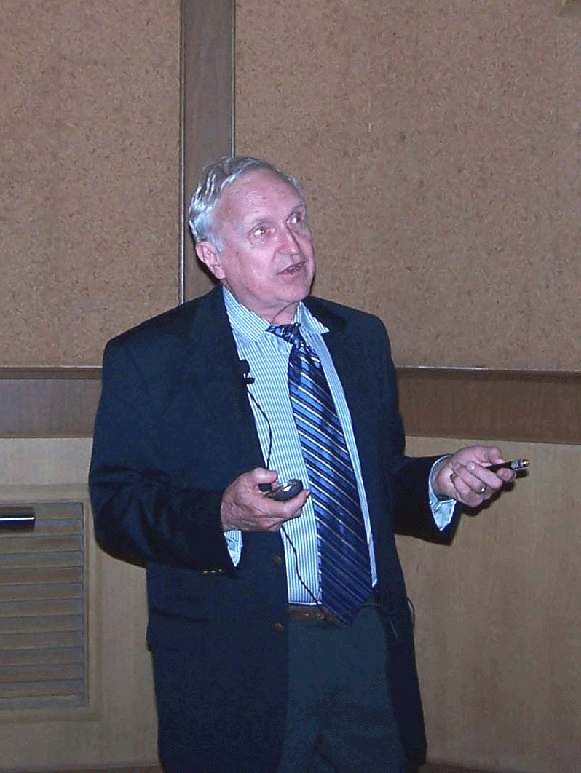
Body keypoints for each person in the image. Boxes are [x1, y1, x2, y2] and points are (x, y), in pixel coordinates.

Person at [89, 156, 518, 773]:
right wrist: (222, 514)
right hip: (235, 654)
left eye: (297, 220)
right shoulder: (151, 357)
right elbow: (117, 509)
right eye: (262, 231)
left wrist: (438, 479)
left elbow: (376, 479)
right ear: (212, 257)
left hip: (366, 637)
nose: (292, 245)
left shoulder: (361, 338)